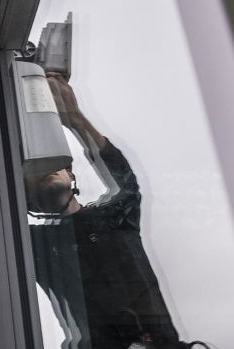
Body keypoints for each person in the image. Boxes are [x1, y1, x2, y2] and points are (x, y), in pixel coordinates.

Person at [27, 72, 190, 349]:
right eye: (33, 172)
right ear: (28, 200)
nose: (47, 170)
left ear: (71, 174)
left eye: (56, 164)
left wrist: (75, 119)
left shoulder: (113, 219)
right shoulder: (34, 243)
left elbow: (124, 181)